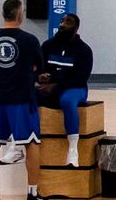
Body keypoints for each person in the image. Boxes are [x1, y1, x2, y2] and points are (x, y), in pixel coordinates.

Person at [0, 0, 46, 200]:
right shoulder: (29, 40)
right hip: (22, 97)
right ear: (19, 15)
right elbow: (39, 65)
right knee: (31, 143)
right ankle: (32, 194)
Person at [38, 11, 94, 164]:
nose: (62, 24)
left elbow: (80, 77)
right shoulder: (48, 45)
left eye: (68, 22)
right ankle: (19, 143)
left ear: (76, 28)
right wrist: (40, 77)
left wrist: (56, 85)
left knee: (67, 102)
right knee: (26, 96)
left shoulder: (84, 50)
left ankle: (73, 149)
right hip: (51, 86)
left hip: (75, 88)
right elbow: (39, 69)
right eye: (62, 21)